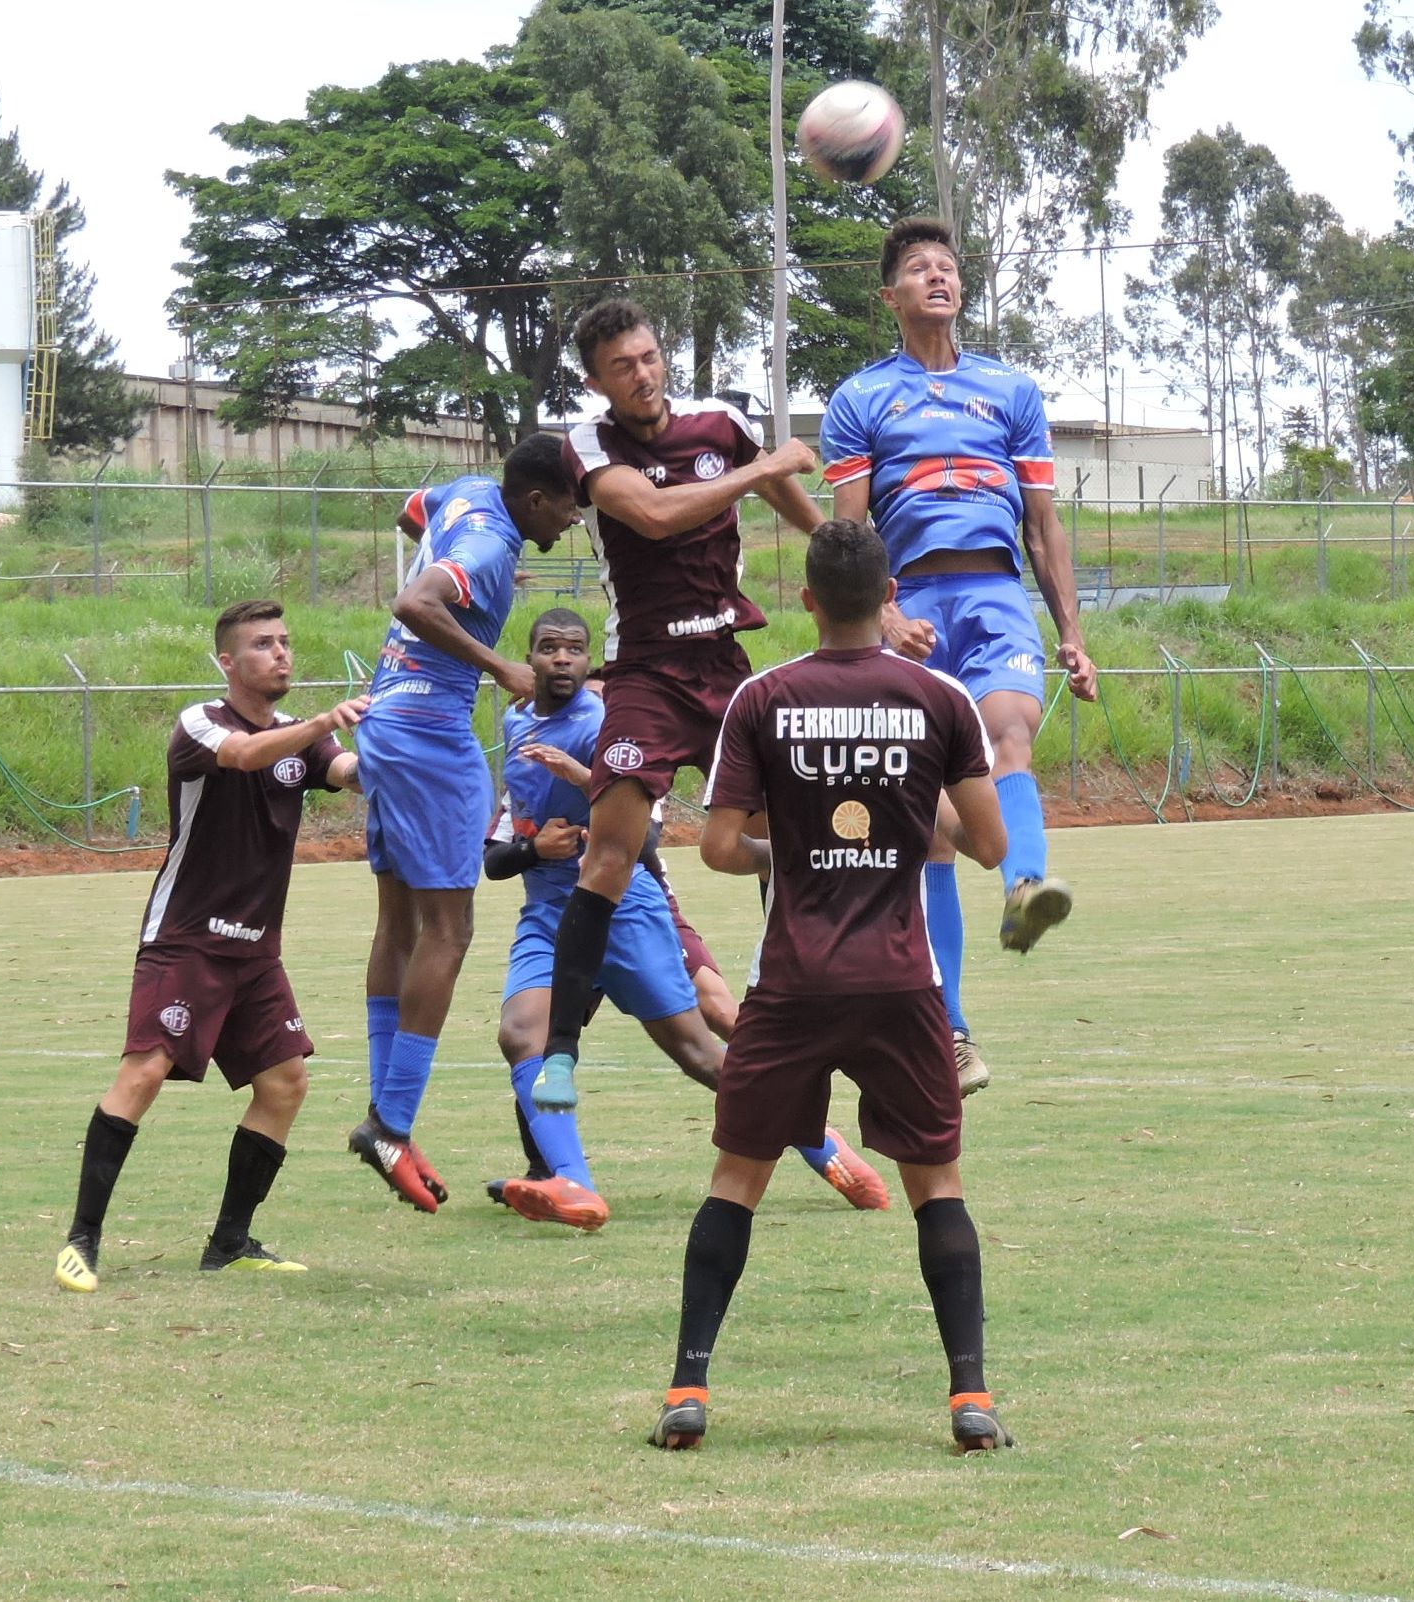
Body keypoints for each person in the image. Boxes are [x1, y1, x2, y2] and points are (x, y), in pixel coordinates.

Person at [648, 518, 1013, 1454]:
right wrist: (907, 811)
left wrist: (799, 841)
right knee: (938, 1186)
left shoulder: (762, 699)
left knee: (736, 1182)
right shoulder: (938, 698)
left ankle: (688, 1386)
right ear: (888, 598)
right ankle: (969, 1399)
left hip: (794, 980)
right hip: (903, 981)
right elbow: (986, 844)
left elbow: (723, 848)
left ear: (806, 600)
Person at [482, 608, 890, 1226]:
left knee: (699, 1052)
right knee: (520, 1034)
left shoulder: (603, 724)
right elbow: (500, 843)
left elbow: (642, 838)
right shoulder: (516, 725)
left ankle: (819, 1143)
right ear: (528, 658)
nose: (560, 660)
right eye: (547, 649)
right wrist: (533, 850)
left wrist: (585, 783)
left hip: (623, 912)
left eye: (573, 650)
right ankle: (573, 1184)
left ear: (592, 660)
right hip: (546, 914)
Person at [820, 215, 1100, 1097]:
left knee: (1009, 726)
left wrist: (1072, 634)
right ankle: (950, 1030)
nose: (937, 276)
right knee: (935, 828)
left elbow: (1044, 526)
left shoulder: (1010, 392)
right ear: (890, 296)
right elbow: (846, 532)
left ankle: (1024, 889)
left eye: (948, 265)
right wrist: (885, 615)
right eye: (917, 268)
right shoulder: (860, 398)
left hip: (994, 594)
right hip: (912, 608)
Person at [530, 298, 823, 1115]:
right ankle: (560, 1056)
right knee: (610, 858)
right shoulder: (588, 445)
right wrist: (766, 468)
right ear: (596, 382)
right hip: (647, 677)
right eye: (623, 367)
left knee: (785, 834)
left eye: (651, 357)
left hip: (726, 670)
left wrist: (838, 548)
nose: (644, 375)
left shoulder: (718, 424)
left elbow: (792, 505)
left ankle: (785, 1011)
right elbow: (655, 518)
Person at [55, 600, 363, 1293]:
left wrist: (406, 750)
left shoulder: (300, 737)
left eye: (285, 641)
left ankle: (229, 1242)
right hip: (186, 941)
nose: (281, 653)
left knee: (285, 1083)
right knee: (144, 1073)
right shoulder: (202, 723)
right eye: (262, 644)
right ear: (228, 662)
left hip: (256, 952)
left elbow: (347, 772)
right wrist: (322, 723)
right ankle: (82, 1241)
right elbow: (245, 756)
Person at [349, 435, 580, 1212]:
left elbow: (415, 513)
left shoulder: (469, 494)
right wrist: (498, 663)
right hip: (431, 734)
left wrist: (462, 576)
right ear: (539, 499)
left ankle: (390, 1123)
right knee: (450, 930)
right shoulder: (489, 541)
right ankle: (392, 1121)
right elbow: (414, 602)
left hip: (385, 716)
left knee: (398, 924)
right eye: (571, 505)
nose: (572, 522)